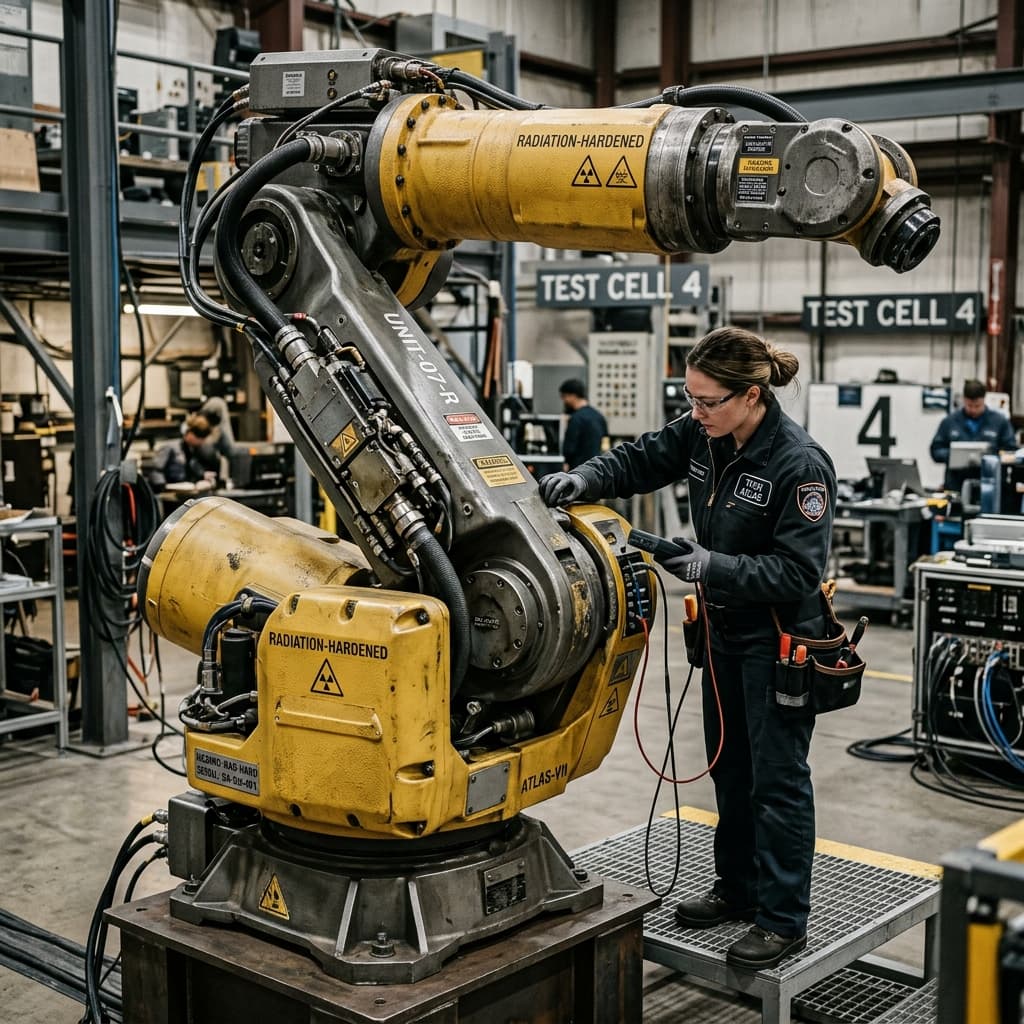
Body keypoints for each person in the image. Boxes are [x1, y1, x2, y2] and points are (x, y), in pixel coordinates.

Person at [539, 327, 837, 971]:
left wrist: (713, 566)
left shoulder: (798, 463)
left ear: (751, 396)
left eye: (706, 402)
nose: (694, 413)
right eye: (689, 398)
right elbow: (641, 458)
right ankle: (737, 888)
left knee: (777, 783)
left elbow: (798, 573)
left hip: (780, 640)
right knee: (729, 766)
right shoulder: (706, 433)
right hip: (725, 634)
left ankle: (782, 920)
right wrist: (584, 475)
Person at [929, 379, 1016, 491]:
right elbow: (935, 450)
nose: (973, 409)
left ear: (984, 400)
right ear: (964, 400)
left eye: (977, 405)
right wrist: (954, 455)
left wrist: (991, 457)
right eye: (969, 405)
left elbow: (1011, 451)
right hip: (956, 485)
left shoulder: (1000, 422)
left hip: (990, 486)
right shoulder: (950, 422)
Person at [146, 412, 222, 490]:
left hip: (185, 488)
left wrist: (203, 475)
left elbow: (192, 467)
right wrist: (162, 486)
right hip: (168, 489)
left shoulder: (191, 450)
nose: (201, 442)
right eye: (200, 439)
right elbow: (156, 470)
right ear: (191, 434)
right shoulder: (170, 447)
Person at [558, 378, 607, 469]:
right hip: (597, 470)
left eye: (564, 397)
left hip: (578, 470)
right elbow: (605, 443)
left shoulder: (576, 418)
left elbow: (569, 448)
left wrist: (566, 462)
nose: (564, 401)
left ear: (572, 396)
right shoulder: (598, 416)